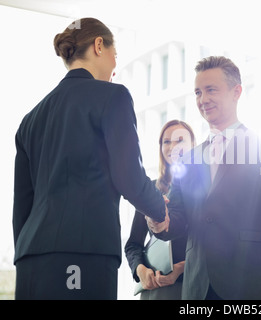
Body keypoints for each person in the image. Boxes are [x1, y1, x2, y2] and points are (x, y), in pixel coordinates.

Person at [13, 18, 167, 300]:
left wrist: (28, 251)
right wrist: (159, 211)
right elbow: (128, 177)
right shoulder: (113, 96)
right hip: (82, 253)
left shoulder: (30, 119)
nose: (114, 67)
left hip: (30, 259)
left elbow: (22, 205)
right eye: (114, 55)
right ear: (99, 46)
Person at [148, 56, 261, 300]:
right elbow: (178, 218)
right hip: (198, 288)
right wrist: (160, 222)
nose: (203, 99)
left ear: (236, 92)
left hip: (250, 287)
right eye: (198, 92)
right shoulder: (189, 158)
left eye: (211, 90)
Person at [125, 120, 196, 300]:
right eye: (166, 141)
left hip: (189, 282)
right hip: (156, 288)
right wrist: (140, 270)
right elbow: (133, 244)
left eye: (180, 140)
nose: (172, 146)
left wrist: (182, 268)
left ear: (193, 146)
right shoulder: (150, 189)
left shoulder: (202, 187)